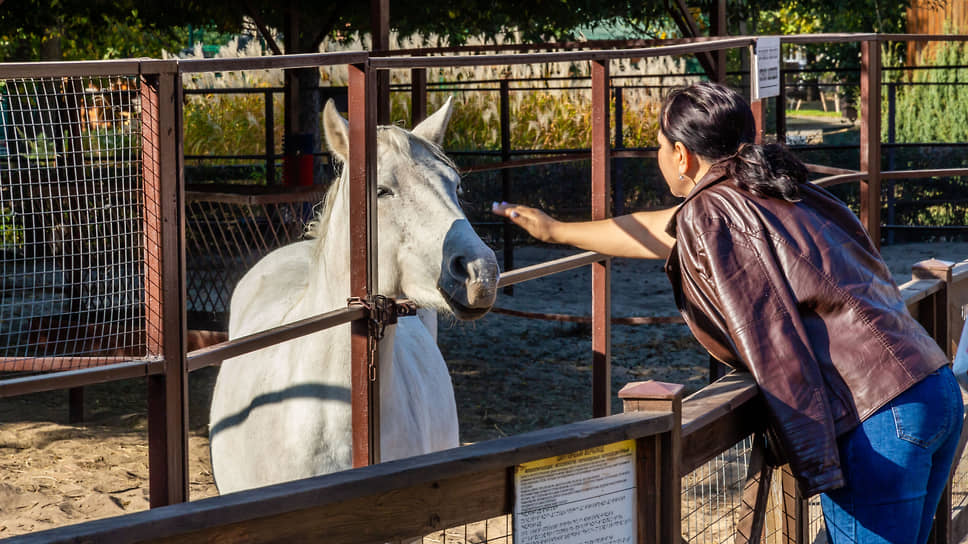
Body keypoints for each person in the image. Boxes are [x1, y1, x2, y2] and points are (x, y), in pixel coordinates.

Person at [492, 81, 963, 544]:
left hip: (876, 417)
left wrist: (811, 455)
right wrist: (556, 231)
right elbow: (660, 229)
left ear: (681, 155)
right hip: (929, 384)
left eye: (658, 146)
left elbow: (770, 334)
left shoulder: (712, 211)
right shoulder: (774, 185)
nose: (658, 157)